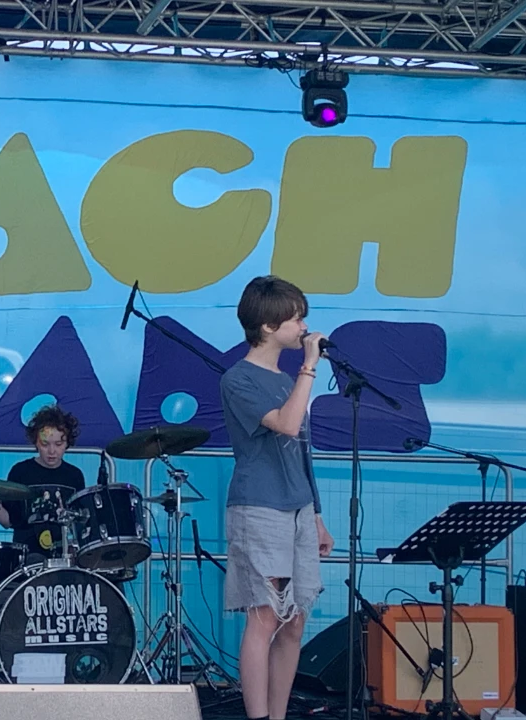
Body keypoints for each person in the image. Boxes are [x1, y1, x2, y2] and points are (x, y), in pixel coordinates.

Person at [220, 275, 334, 720]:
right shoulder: (239, 379)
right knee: (267, 614)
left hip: (299, 509)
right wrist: (309, 367)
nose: (303, 326)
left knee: (295, 618)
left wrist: (318, 516)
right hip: (261, 508)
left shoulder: (289, 380)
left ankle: (280, 714)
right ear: (267, 326)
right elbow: (286, 425)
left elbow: (301, 451)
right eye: (295, 317)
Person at [0, 404, 86, 562]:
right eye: (45, 444)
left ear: (67, 443)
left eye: (58, 445)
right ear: (36, 442)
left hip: (64, 553)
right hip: (27, 555)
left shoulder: (75, 476)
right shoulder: (20, 472)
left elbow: (80, 523)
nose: (52, 451)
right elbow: (9, 521)